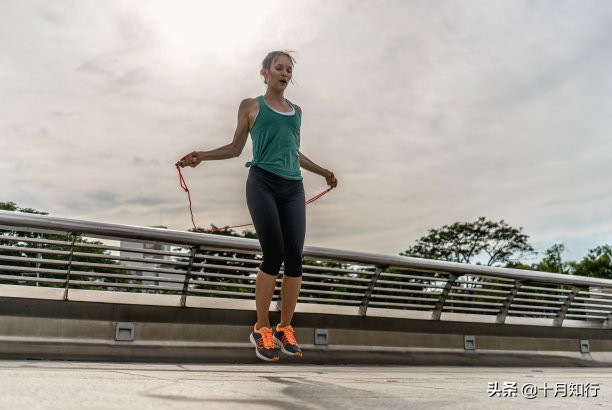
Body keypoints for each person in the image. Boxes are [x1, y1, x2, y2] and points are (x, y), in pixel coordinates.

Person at [177, 51, 337, 362]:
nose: (285, 73)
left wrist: (324, 172)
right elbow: (236, 147)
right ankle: (261, 328)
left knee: (295, 258)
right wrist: (202, 155)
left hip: (293, 186)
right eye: (279, 67)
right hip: (262, 181)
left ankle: (284, 328)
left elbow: (294, 152)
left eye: (289, 69)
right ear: (264, 72)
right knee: (274, 252)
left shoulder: (297, 111)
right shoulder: (251, 106)